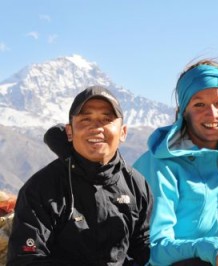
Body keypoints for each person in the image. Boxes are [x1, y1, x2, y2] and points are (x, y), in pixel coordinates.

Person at [7, 85, 153, 266]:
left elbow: (143, 246)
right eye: (85, 120)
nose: (96, 128)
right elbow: (25, 260)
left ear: (123, 132)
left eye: (106, 119)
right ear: (70, 131)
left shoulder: (136, 185)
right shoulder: (41, 188)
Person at [133, 60, 218, 266]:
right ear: (183, 112)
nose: (212, 113)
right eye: (199, 104)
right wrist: (210, 247)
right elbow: (151, 248)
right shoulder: (161, 165)